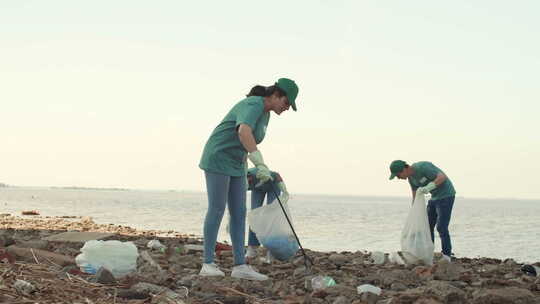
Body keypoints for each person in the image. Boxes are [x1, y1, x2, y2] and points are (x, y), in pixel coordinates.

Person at [198, 78, 299, 280]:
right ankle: (207, 263)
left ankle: (240, 266)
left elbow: (249, 139)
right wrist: (259, 162)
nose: (287, 108)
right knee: (217, 208)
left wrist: (253, 164)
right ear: (277, 95)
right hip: (218, 156)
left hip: (237, 162)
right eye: (287, 103)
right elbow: (243, 131)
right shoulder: (254, 104)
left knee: (239, 212)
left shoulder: (266, 114)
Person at [389, 160, 456, 262]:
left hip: (446, 195)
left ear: (404, 169)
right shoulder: (411, 179)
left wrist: (430, 187)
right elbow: (415, 195)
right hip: (434, 197)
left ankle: (447, 256)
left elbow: (442, 177)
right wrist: (414, 211)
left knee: (441, 227)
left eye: (398, 175)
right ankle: (429, 253)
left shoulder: (423, 167)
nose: (398, 178)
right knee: (427, 227)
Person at [245, 167, 289, 262]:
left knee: (271, 216)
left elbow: (277, 175)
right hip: (257, 189)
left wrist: (285, 191)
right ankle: (252, 248)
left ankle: (272, 251)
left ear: (249, 178)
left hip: (272, 184)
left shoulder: (256, 173)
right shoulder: (242, 181)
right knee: (254, 215)